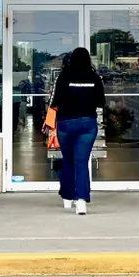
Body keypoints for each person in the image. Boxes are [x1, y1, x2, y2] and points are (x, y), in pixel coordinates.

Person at [47, 47, 104, 215]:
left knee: (68, 160)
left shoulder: (64, 76)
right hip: (87, 124)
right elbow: (101, 101)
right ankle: (81, 201)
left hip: (66, 123)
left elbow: (55, 100)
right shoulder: (94, 78)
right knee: (81, 162)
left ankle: (66, 197)